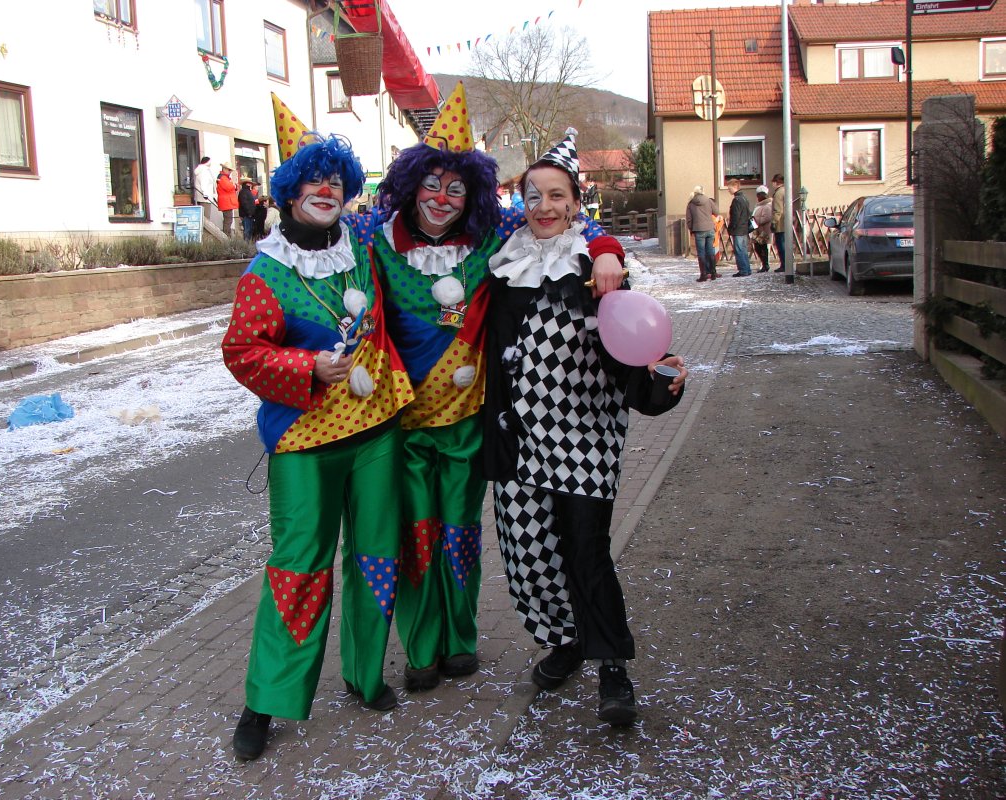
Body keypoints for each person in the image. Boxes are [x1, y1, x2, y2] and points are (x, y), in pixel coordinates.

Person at [360, 88, 624, 694]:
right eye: (431, 185)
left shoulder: (496, 235)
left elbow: (578, 227)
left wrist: (609, 248)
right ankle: (430, 647)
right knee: (435, 540)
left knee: (479, 540)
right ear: (411, 187)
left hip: (506, 424)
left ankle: (481, 644)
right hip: (432, 423)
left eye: (455, 188)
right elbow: (326, 245)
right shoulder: (380, 235)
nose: (441, 198)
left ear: (474, 194)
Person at [220, 134, 414, 761]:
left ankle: (365, 674)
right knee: (300, 564)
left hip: (375, 429)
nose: (327, 190)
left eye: (336, 180)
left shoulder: (362, 248)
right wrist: (307, 367)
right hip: (304, 440)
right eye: (314, 180)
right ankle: (266, 697)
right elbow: (242, 352)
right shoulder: (265, 272)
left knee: (376, 556)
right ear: (289, 192)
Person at [483, 132, 687, 726]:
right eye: (533, 196)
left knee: (585, 554)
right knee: (528, 555)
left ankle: (612, 665)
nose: (544, 206)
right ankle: (565, 640)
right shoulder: (504, 262)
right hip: (518, 440)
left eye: (556, 196)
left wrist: (658, 385)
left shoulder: (597, 268)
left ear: (576, 202)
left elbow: (631, 346)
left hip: (582, 439)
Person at [686, 185, 718, 282]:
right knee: (710, 251)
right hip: (710, 228)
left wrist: (691, 229)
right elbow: (716, 211)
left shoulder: (691, 203)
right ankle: (713, 273)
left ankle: (703, 275)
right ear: (703, 191)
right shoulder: (708, 200)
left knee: (701, 253)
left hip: (699, 230)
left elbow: (689, 219)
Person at [725, 178, 752, 277]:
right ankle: (747, 269)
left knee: (739, 250)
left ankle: (743, 270)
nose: (728, 190)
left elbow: (735, 216)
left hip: (738, 229)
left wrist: (730, 228)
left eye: (729, 188)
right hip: (744, 227)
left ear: (735, 186)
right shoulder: (744, 198)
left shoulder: (737, 200)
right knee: (743, 250)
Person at [751, 185, 773, 272]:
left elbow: (767, 217)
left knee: (763, 248)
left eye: (759, 195)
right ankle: (764, 263)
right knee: (757, 247)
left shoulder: (768, 205)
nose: (757, 197)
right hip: (758, 230)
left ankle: (765, 264)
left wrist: (756, 220)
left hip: (764, 230)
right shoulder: (758, 205)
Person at [770, 173, 787, 273]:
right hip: (785, 221)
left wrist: (774, 222)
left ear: (776, 182)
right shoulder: (785, 190)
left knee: (781, 244)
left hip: (780, 223)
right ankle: (785, 264)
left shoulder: (778, 193)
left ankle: (784, 265)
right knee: (783, 243)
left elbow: (777, 210)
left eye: (773, 182)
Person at [217, 163, 239, 237]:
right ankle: (226, 236)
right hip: (226, 202)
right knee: (228, 221)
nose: (230, 172)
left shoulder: (224, 178)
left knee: (228, 220)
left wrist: (233, 185)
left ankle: (226, 236)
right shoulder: (223, 178)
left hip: (227, 202)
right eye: (229, 170)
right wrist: (234, 185)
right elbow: (228, 187)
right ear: (224, 169)